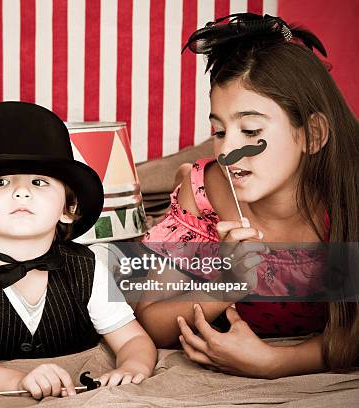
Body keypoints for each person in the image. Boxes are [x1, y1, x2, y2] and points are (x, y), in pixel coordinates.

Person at [137, 13, 359, 378]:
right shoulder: (206, 193)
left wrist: (275, 363)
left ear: (313, 134)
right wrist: (228, 285)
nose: (229, 152)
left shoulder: (346, 196)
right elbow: (152, 319)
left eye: (251, 130)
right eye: (220, 131)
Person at [0, 101, 156, 399]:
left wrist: (132, 364)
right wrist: (20, 380)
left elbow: (133, 339)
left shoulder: (88, 267)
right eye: (0, 182)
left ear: (67, 208)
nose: (21, 192)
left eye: (38, 182)